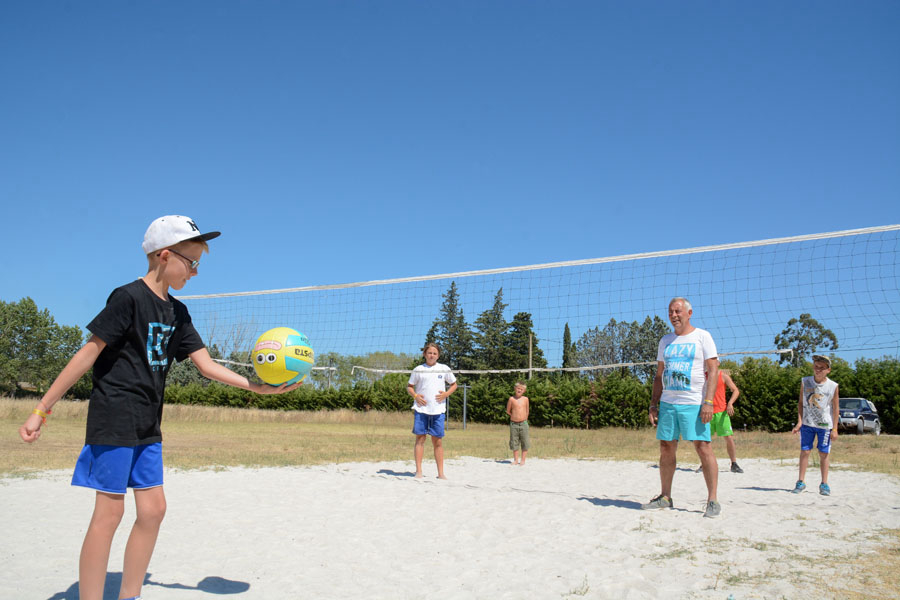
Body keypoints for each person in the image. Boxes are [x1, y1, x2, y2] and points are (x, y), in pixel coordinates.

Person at [18, 215, 301, 600]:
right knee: (110, 515)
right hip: (115, 416)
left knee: (153, 511)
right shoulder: (128, 298)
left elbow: (207, 366)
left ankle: (129, 595)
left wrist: (258, 388)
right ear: (165, 255)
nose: (196, 271)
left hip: (148, 425)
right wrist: (42, 409)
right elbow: (87, 355)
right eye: (192, 262)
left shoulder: (178, 313)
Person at [643, 297, 722, 518]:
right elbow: (659, 375)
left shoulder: (702, 337)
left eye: (678, 311)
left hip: (694, 402)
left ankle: (712, 500)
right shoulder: (665, 341)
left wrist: (708, 402)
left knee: (703, 447)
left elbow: (713, 371)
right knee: (666, 448)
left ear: (689, 313)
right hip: (669, 403)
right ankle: (665, 497)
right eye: (671, 312)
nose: (674, 315)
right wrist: (653, 404)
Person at [791, 354, 839, 496]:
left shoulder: (833, 386)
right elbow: (800, 403)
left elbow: (836, 408)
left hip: (825, 425)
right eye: (816, 367)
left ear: (828, 370)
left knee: (823, 453)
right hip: (807, 423)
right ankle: (801, 481)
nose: (818, 370)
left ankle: (824, 484)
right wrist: (799, 422)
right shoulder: (805, 382)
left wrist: (835, 428)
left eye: (821, 368)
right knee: (805, 451)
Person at [407, 342, 457, 479]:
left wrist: (446, 394)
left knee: (438, 441)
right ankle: (419, 472)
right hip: (421, 409)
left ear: (438, 355)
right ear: (424, 354)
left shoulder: (444, 368)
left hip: (438, 410)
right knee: (420, 439)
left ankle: (440, 473)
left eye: (435, 353)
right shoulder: (418, 369)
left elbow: (454, 385)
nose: (432, 355)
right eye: (429, 353)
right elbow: (409, 387)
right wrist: (416, 396)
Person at [697, 359, 743, 474]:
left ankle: (734, 463)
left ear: (718, 363)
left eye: (714, 361)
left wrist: (730, 403)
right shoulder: (703, 376)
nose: (711, 363)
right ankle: (704, 464)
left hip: (722, 412)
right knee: (704, 440)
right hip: (707, 412)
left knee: (729, 438)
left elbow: (735, 390)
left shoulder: (723, 376)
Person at [506, 381, 530, 465]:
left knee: (525, 441)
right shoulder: (511, 399)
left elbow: (527, 411)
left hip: (523, 423)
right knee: (514, 441)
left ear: (524, 391)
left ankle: (523, 460)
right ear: (515, 389)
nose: (519, 390)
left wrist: (525, 419)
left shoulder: (526, 399)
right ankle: (516, 460)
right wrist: (514, 416)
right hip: (514, 424)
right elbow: (508, 411)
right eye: (518, 388)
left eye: (521, 389)